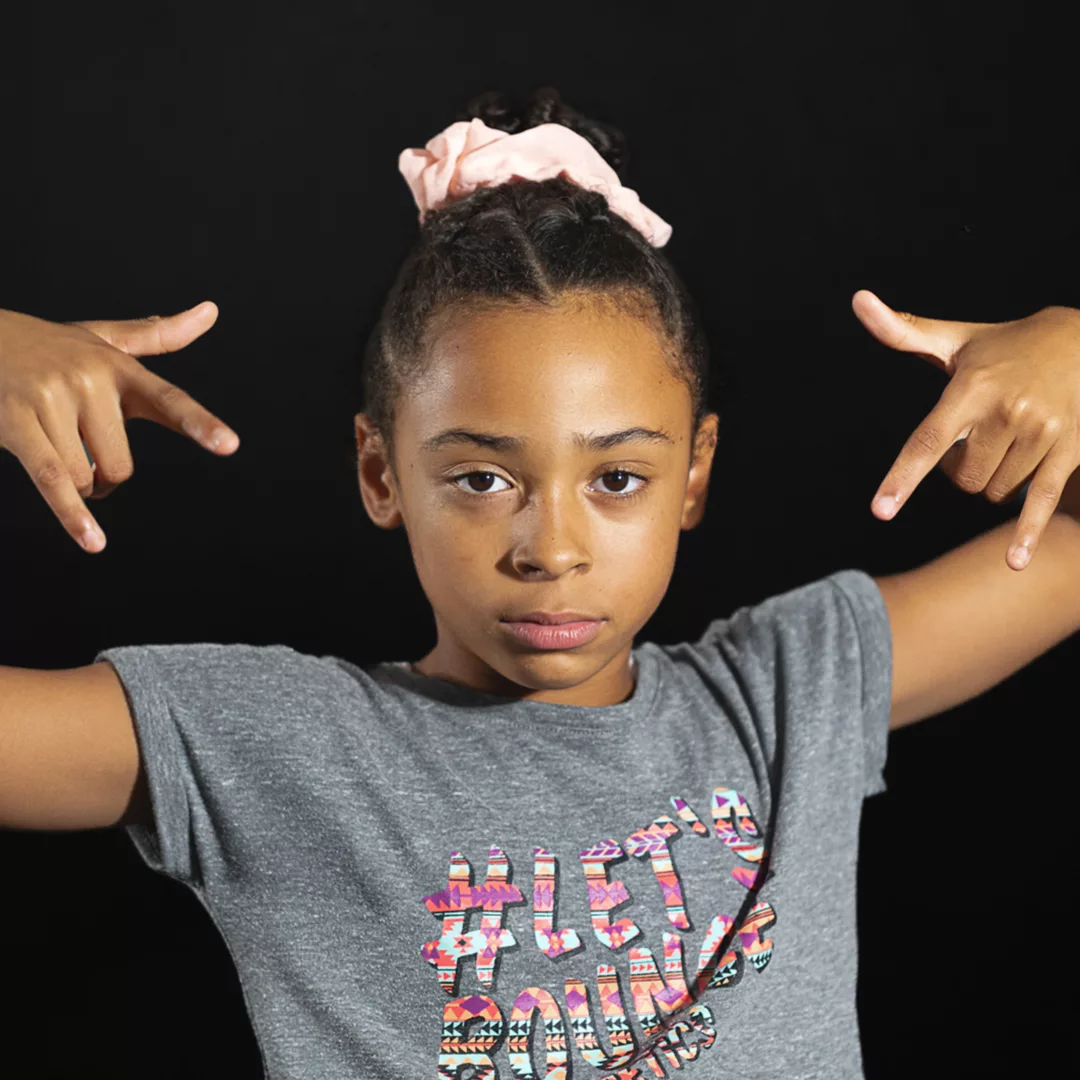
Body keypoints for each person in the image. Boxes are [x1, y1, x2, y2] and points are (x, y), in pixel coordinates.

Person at [1, 86, 1078, 1080]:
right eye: (481, 477)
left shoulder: (788, 697)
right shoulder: (270, 744)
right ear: (382, 473)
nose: (550, 546)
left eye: (616, 478)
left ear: (693, 475)